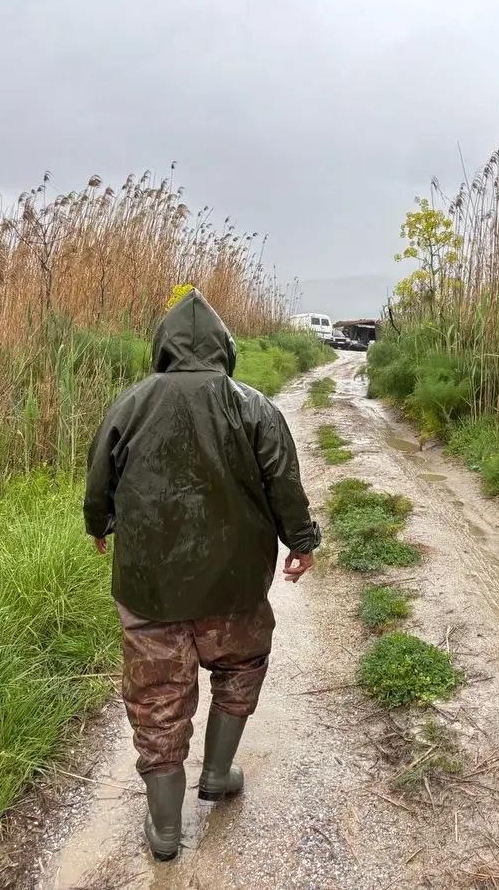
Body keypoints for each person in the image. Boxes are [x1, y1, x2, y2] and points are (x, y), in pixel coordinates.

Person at [84, 289, 320, 862]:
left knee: (157, 693)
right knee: (240, 666)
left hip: (149, 587)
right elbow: (283, 483)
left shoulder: (130, 404)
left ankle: (165, 830)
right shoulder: (255, 406)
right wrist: (302, 541)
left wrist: (100, 523)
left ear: (162, 347)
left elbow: (99, 477)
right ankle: (216, 774)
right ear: (225, 348)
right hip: (236, 582)